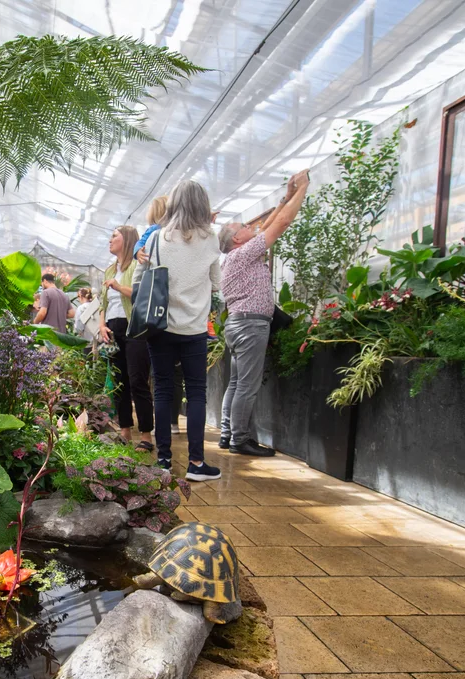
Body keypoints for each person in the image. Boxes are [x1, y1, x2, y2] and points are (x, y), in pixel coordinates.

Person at [218, 170, 310, 456]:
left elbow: (270, 223)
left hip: (238, 325)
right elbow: (280, 224)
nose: (250, 227)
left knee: (235, 383)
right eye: (243, 227)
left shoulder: (237, 255)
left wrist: (286, 197)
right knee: (247, 385)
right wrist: (303, 189)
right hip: (250, 327)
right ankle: (239, 439)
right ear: (236, 239)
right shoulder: (243, 254)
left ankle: (227, 432)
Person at [144, 180, 223, 481]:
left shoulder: (156, 238)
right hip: (194, 328)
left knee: (162, 390)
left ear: (173, 203)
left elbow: (143, 279)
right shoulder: (210, 238)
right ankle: (197, 464)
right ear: (203, 205)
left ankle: (163, 461)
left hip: (160, 325)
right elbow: (215, 281)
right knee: (197, 392)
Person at [98, 226, 154, 451]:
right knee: (120, 383)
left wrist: (119, 286)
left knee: (138, 380)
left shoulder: (138, 265)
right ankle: (124, 431)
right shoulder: (109, 270)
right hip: (113, 329)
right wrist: (102, 325)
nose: (110, 240)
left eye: (114, 236)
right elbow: (103, 303)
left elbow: (142, 294)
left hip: (135, 327)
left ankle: (146, 436)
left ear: (127, 239)